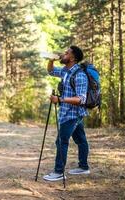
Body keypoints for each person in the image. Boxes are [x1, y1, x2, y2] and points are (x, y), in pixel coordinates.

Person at [43, 45, 90, 182]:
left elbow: (81, 99)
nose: (63, 54)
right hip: (66, 112)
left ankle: (58, 172)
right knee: (80, 139)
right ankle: (83, 167)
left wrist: (60, 99)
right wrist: (51, 60)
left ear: (73, 57)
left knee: (61, 141)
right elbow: (51, 72)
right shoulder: (65, 71)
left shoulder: (79, 75)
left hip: (73, 114)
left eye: (67, 53)